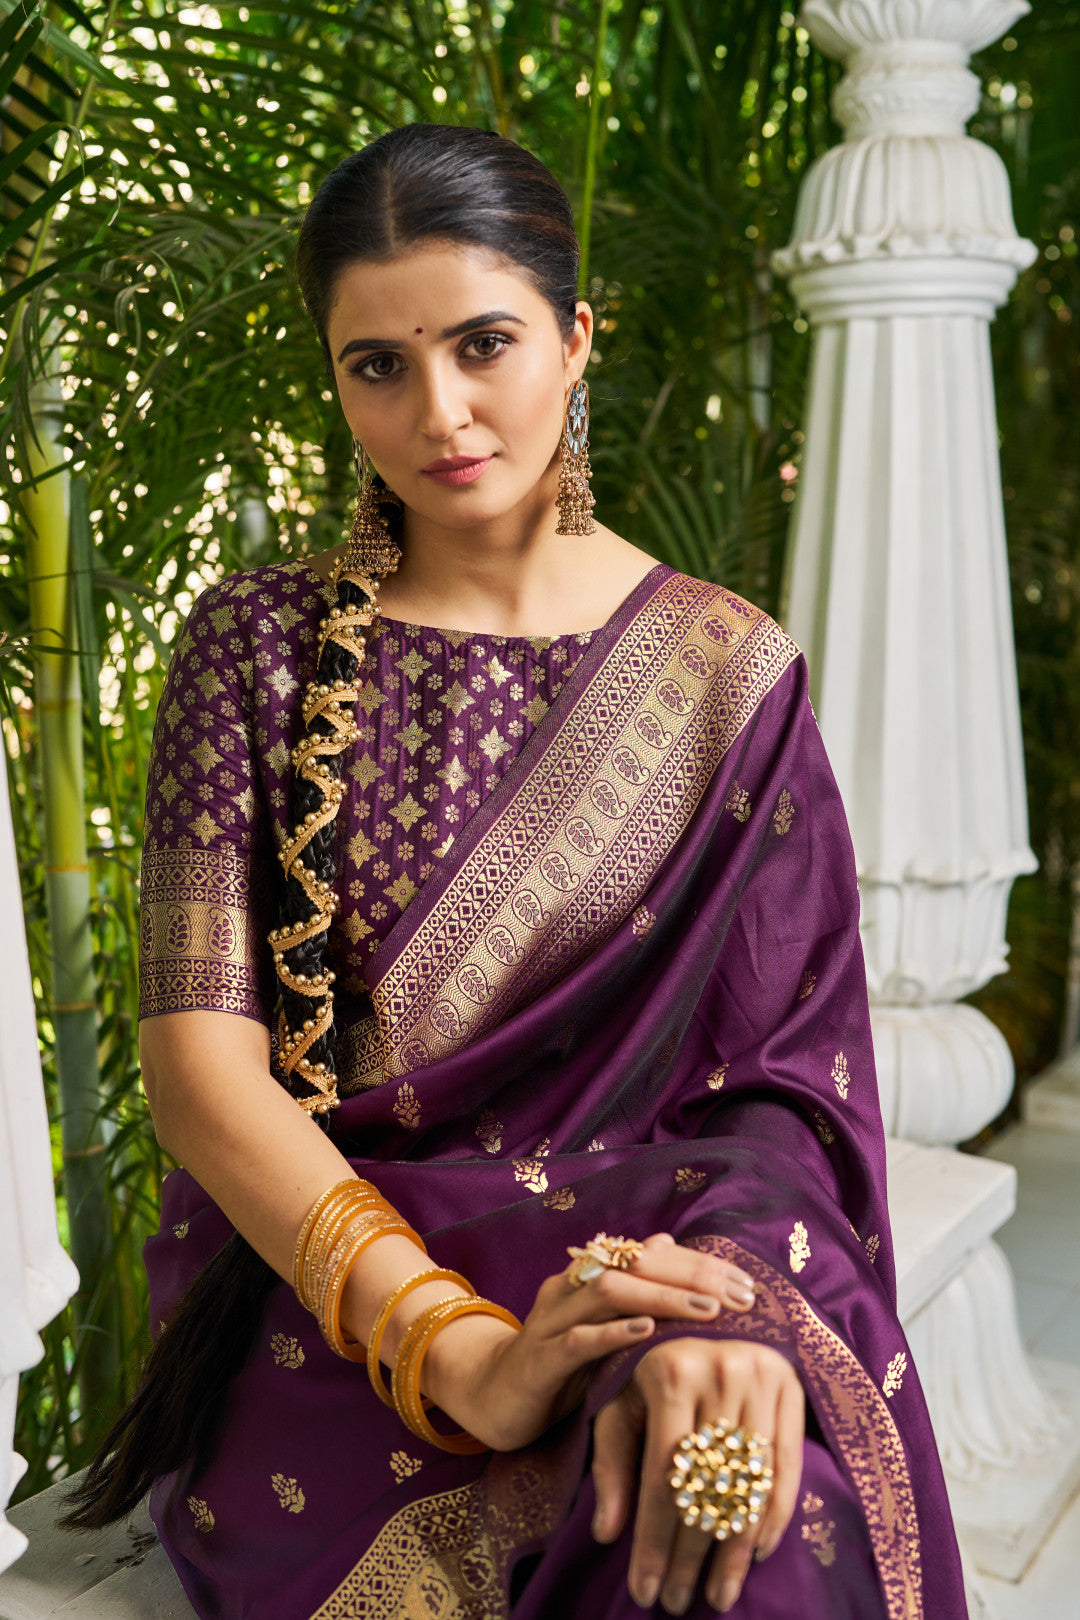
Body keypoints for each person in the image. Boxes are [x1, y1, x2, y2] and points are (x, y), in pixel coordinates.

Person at [64, 123, 968, 1620]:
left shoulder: (726, 673)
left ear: (575, 339)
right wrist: (465, 1351)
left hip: (651, 1255)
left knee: (743, 1499)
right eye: (379, 365)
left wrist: (726, 1311)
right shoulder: (256, 648)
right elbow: (199, 1075)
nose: (441, 412)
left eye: (484, 343)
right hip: (342, 1307)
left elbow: (784, 1091)